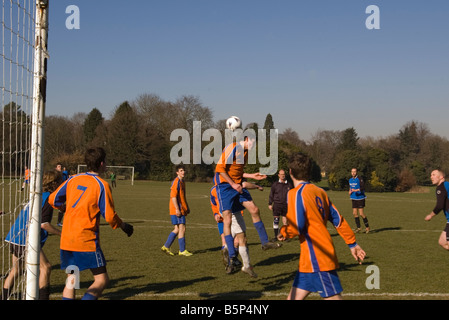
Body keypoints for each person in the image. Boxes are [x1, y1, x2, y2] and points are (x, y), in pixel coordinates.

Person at [48, 147, 134, 300]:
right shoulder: (101, 185)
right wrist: (124, 226)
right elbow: (109, 216)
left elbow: (53, 199)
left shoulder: (73, 179)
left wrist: (65, 208)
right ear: (101, 163)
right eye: (106, 161)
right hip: (85, 239)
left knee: (72, 279)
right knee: (101, 279)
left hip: (67, 238)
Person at [278, 152, 366, 300]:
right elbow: (337, 219)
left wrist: (284, 232)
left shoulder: (295, 193)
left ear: (290, 172)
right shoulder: (319, 191)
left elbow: (297, 225)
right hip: (309, 260)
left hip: (318, 257)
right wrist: (352, 243)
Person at [214, 135, 281, 273]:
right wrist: (233, 184)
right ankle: (232, 254)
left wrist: (252, 176)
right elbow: (220, 169)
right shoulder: (232, 147)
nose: (252, 145)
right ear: (245, 139)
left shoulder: (245, 153)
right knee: (226, 219)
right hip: (225, 187)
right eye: (251, 142)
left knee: (254, 209)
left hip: (236, 185)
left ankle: (264, 242)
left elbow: (237, 172)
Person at [3, 170, 63, 300]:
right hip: (25, 238)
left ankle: (3, 296)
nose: (62, 183)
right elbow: (44, 224)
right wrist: (63, 234)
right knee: (45, 267)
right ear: (54, 183)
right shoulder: (48, 198)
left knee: (16, 270)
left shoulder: (38, 195)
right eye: (60, 181)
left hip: (14, 235)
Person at [210, 180, 263, 277]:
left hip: (227, 215)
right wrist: (215, 213)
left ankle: (231, 258)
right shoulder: (221, 188)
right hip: (228, 216)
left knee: (233, 241)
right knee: (240, 240)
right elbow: (213, 203)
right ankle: (239, 264)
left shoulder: (219, 188)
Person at [161, 164, 192, 256]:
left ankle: (166, 247)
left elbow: (182, 197)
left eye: (184, 170)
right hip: (176, 209)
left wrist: (187, 207)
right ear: (177, 172)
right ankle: (182, 250)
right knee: (182, 228)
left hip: (181, 209)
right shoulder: (176, 182)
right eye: (181, 171)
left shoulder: (182, 182)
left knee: (177, 229)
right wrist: (177, 209)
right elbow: (173, 196)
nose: (183, 172)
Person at [424, 170, 449, 250]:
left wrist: (430, 215)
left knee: (446, 242)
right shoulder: (447, 185)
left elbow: (439, 206)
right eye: (431, 175)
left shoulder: (441, 187)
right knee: (442, 242)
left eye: (434, 175)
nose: (431, 177)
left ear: (441, 177)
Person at [268, 169, 293, 239]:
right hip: (277, 204)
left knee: (285, 221)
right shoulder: (275, 184)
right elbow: (271, 194)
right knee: (276, 220)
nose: (282, 176)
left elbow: (292, 195)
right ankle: (276, 236)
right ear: (279, 175)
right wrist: (270, 203)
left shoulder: (289, 184)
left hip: (286, 205)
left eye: (284, 174)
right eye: (281, 174)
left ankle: (286, 236)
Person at [349, 168, 370, 233]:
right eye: (352, 172)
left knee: (361, 214)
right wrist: (349, 191)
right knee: (354, 213)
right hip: (353, 198)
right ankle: (359, 228)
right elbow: (350, 187)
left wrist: (356, 190)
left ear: (356, 172)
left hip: (360, 198)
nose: (353, 173)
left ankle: (367, 227)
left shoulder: (359, 179)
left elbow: (363, 187)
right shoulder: (350, 180)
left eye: (354, 172)